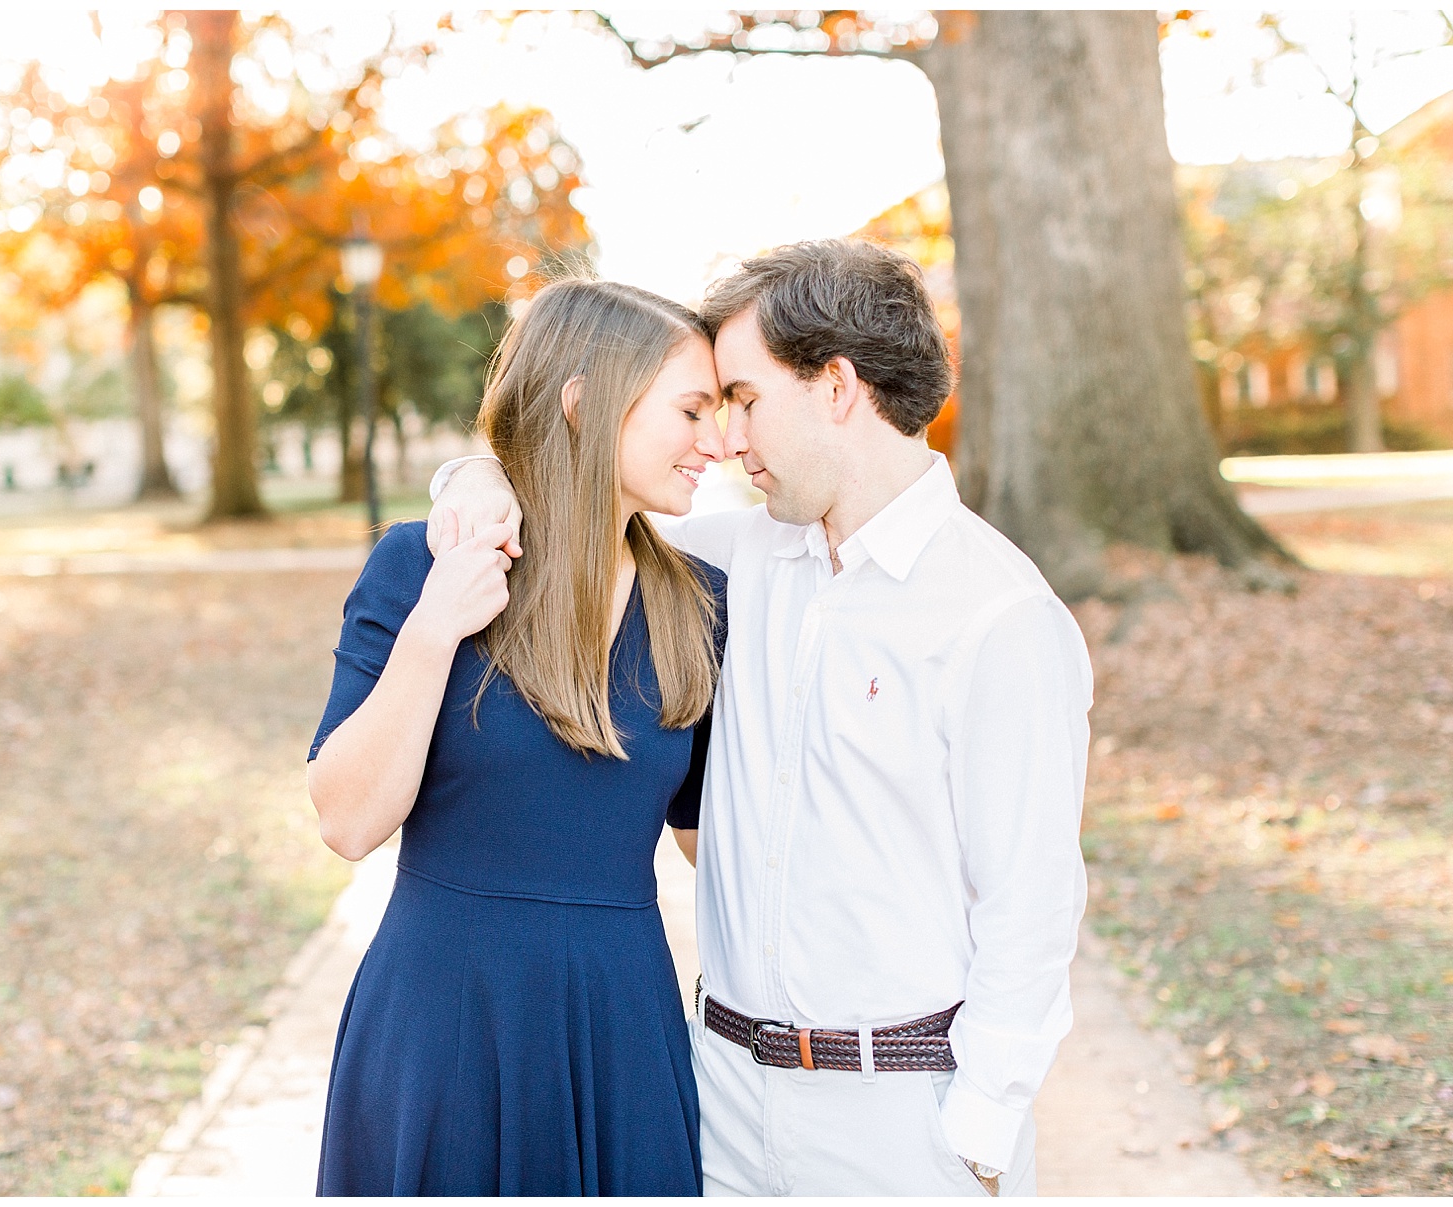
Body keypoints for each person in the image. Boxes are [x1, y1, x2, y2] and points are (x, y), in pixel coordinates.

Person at [428, 239, 1093, 1196]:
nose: (726, 441)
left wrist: (977, 1131)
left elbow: (1031, 903)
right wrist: (475, 477)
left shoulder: (997, 615)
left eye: (742, 398)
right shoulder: (730, 560)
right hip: (722, 1100)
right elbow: (570, 499)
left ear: (835, 386)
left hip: (903, 1124)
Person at [307, 276, 731, 1195]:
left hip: (620, 1024)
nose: (718, 441)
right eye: (692, 409)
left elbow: (715, 845)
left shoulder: (700, 604)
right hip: (444, 1019)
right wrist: (434, 626)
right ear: (585, 402)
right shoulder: (421, 561)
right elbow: (345, 820)